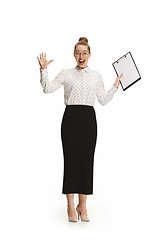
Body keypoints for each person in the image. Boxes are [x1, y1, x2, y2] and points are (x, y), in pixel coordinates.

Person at [37, 37, 123, 223]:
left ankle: (82, 205)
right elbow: (47, 88)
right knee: (71, 160)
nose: (81, 56)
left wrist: (115, 85)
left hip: (88, 121)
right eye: (78, 53)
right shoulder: (66, 73)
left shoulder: (96, 76)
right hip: (70, 119)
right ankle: (70, 204)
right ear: (74, 55)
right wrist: (44, 69)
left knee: (85, 161)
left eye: (85, 53)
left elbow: (103, 100)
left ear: (89, 55)